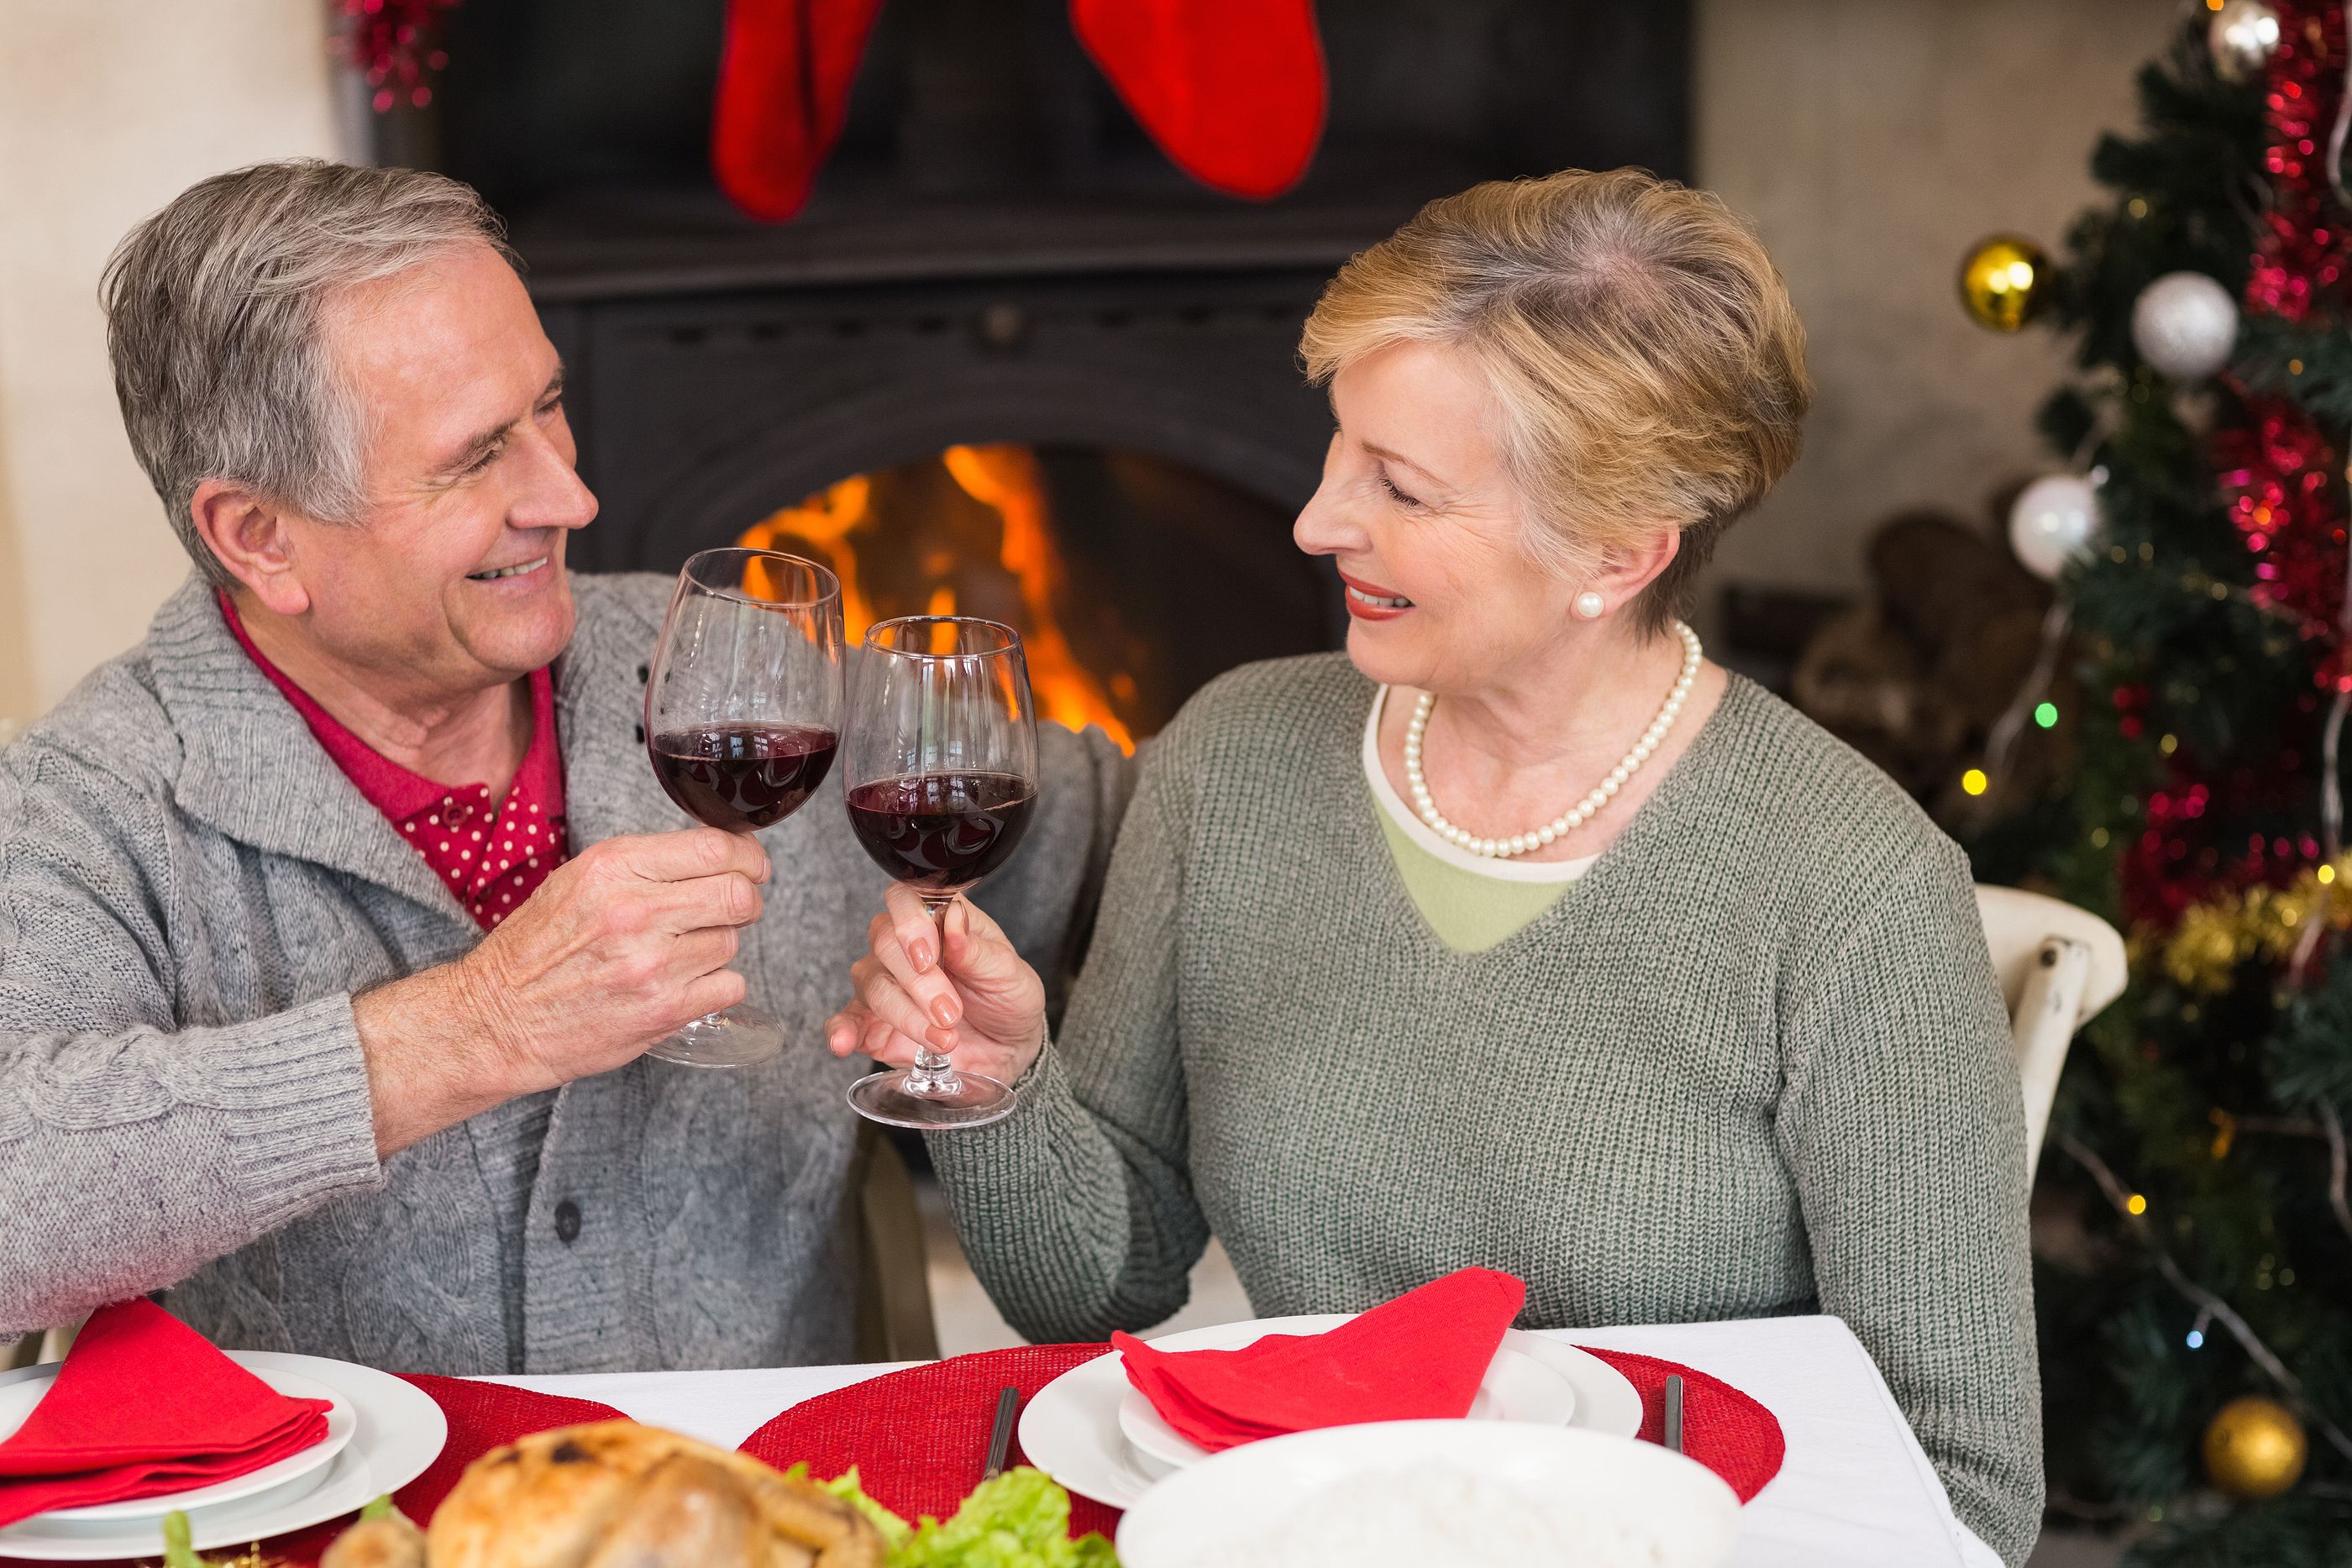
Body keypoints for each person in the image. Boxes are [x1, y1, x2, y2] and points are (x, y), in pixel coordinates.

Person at [827, 169, 2043, 1564]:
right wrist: (998, 1093)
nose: (1316, 521)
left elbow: (1961, 1490)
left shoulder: (1852, 889)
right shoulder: (1233, 758)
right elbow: (1096, 1281)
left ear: (1618, 551)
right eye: (1340, 450)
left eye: (1400, 488)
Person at [0, 160, 1126, 1373]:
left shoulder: (729, 679)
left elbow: (1153, 830)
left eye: (549, 406)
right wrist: (480, 1027)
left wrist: (1352, 713)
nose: (572, 494)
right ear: (260, 537)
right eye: (477, 456)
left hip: (763, 1526)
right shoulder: (91, 800)